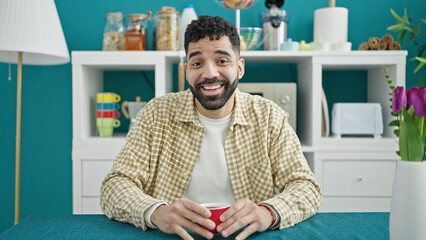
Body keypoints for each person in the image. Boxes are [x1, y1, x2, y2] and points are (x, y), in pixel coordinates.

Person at [100, 15, 322, 240]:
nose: (209, 74)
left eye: (222, 61)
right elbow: (114, 185)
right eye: (197, 63)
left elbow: (305, 187)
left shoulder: (269, 117)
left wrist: (268, 213)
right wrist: (156, 212)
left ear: (240, 67)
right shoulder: (156, 114)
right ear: (187, 70)